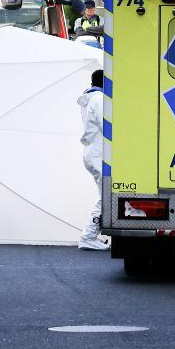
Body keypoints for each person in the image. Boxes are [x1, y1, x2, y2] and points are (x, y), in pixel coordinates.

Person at [77, 69, 109, 251]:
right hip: (100, 153)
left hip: (91, 152)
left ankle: (90, 235)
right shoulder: (99, 99)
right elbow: (107, 126)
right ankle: (88, 236)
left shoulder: (88, 99)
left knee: (103, 194)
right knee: (105, 196)